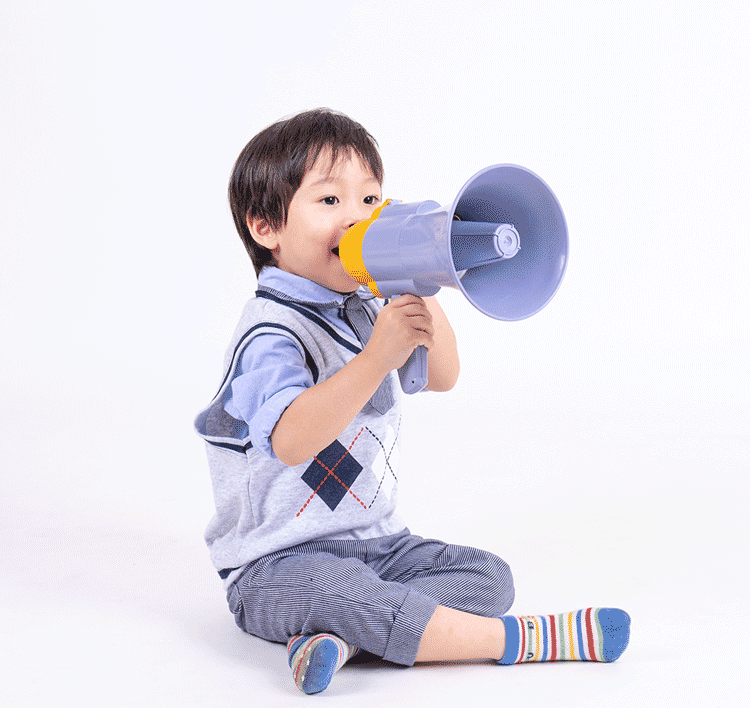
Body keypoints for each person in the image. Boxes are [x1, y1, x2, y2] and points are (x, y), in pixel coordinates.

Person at [195, 108, 630, 695]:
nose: (356, 217)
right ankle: (519, 639)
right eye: (330, 200)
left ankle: (344, 638)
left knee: (487, 578)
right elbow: (292, 441)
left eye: (370, 199)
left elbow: (443, 376)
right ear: (266, 226)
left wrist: (423, 272)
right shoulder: (270, 333)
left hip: (381, 544)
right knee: (343, 591)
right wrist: (376, 358)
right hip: (278, 565)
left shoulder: (368, 305)